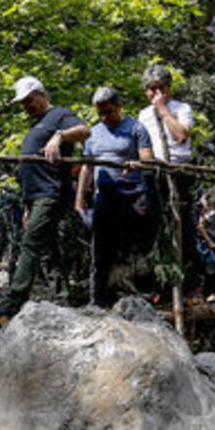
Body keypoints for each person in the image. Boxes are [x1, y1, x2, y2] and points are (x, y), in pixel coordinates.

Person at [0, 76, 90, 317]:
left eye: (29, 100)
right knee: (47, 247)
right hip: (35, 196)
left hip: (51, 193)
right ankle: (64, 298)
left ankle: (15, 298)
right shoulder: (36, 125)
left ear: (42, 94)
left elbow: (84, 130)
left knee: (31, 243)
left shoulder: (60, 115)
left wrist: (60, 136)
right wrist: (26, 207)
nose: (26, 106)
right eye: (22, 103)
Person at [76, 86, 154, 307]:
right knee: (101, 249)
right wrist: (80, 198)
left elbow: (148, 158)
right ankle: (98, 299)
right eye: (100, 113)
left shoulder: (136, 128)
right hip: (105, 196)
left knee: (137, 247)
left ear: (119, 106)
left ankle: (143, 296)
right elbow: (87, 167)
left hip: (134, 195)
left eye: (108, 112)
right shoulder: (94, 132)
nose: (104, 117)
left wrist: (138, 163)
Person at [137, 61, 196, 286]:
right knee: (156, 225)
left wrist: (163, 110)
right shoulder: (143, 115)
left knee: (183, 224)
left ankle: (189, 279)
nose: (157, 93)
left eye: (162, 87)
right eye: (152, 88)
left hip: (179, 171)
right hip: (153, 172)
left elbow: (181, 135)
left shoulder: (182, 109)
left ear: (169, 87)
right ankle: (161, 282)